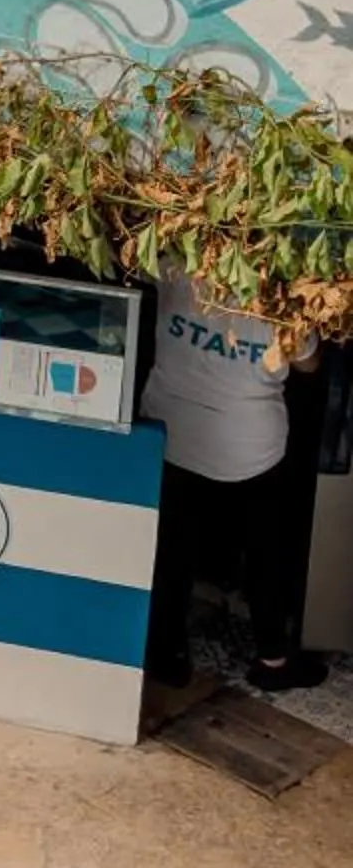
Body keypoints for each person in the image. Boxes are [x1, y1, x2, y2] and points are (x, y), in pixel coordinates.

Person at [142, 269, 325, 692]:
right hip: (253, 450)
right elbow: (310, 364)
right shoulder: (283, 299)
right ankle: (273, 661)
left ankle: (165, 655)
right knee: (265, 555)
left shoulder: (179, 268)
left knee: (172, 552)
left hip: (173, 436)